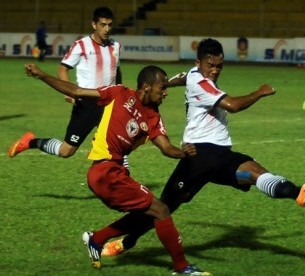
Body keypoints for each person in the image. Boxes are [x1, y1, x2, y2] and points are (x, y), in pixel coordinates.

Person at [100, 38, 305, 257]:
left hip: (220, 155)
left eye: (219, 66)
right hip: (199, 157)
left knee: (255, 173)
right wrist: (260, 92)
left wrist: (165, 83)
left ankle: (299, 193)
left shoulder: (194, 74)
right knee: (163, 207)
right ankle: (120, 241)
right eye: (210, 65)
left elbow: (183, 77)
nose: (215, 70)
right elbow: (232, 105)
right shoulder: (201, 83)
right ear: (199, 62)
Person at [23, 63, 211, 275]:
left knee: (148, 213)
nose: (166, 93)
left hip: (115, 171)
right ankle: (182, 267)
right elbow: (76, 91)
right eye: (163, 87)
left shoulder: (152, 116)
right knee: (161, 210)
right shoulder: (118, 93)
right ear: (147, 87)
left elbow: (165, 147)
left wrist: (183, 153)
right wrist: (42, 75)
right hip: (104, 172)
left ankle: (97, 239)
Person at [9, 7, 128, 168]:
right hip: (86, 103)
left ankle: (124, 184)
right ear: (94, 25)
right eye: (103, 25)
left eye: (109, 25)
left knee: (117, 143)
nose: (107, 29)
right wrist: (69, 93)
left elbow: (116, 71)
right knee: (66, 151)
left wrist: (119, 93)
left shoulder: (116, 46)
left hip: (108, 104)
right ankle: (31, 142)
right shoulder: (81, 45)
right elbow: (63, 68)